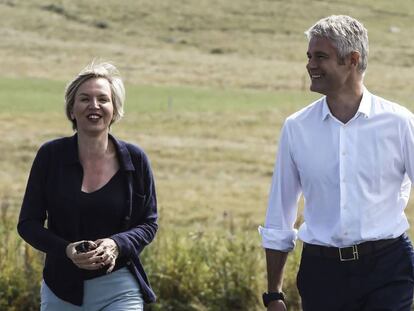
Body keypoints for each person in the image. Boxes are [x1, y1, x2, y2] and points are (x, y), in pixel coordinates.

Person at [259, 15, 414, 310]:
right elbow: (280, 212)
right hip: (322, 274)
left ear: (352, 60)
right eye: (309, 56)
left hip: (388, 269)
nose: (310, 65)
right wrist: (274, 294)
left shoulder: (400, 123)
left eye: (320, 56)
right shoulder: (296, 127)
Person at [17, 61, 158, 310]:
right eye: (84, 99)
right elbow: (28, 224)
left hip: (120, 288)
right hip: (61, 289)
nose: (94, 106)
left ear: (114, 110)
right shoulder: (50, 156)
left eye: (103, 99)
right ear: (72, 109)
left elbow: (148, 223)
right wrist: (67, 250)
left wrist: (117, 244)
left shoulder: (135, 160)